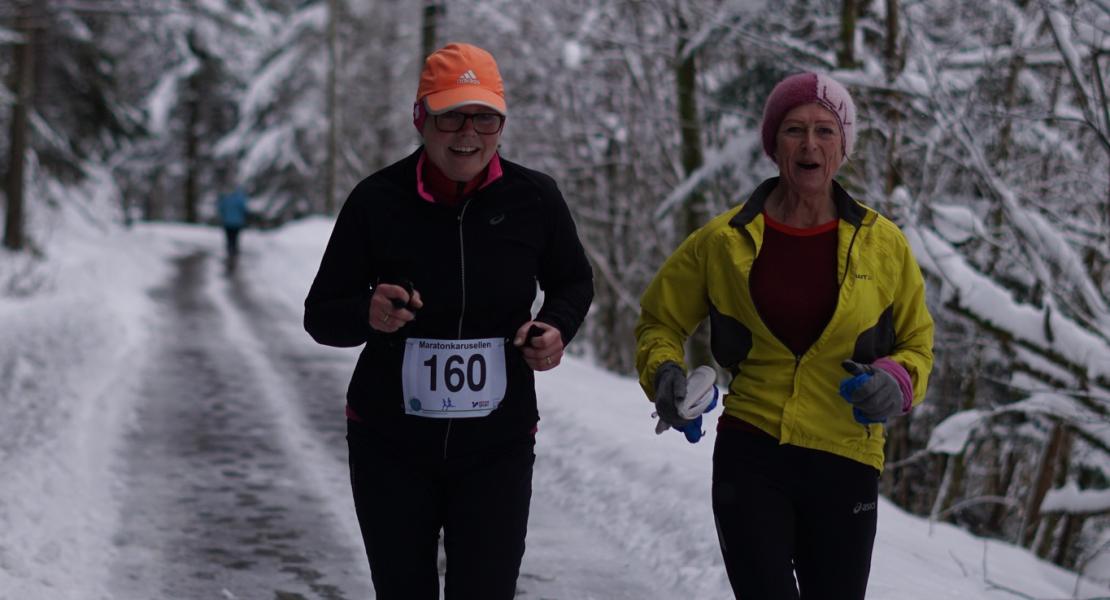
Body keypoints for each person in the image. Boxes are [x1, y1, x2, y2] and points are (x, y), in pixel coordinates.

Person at [303, 42, 593, 599]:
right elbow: (321, 315)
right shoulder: (376, 201)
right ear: (421, 119)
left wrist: (555, 327)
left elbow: (574, 281)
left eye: (484, 117)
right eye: (451, 115)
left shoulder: (535, 198)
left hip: (497, 445)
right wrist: (368, 312)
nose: (468, 133)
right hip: (389, 442)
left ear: (502, 124)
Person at [635, 72, 934, 599]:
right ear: (773, 144)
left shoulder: (883, 245)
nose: (809, 143)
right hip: (752, 452)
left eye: (825, 130)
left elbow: (917, 344)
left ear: (843, 146)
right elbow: (660, 320)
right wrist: (664, 373)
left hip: (846, 456)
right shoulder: (724, 241)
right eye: (794, 130)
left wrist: (896, 381)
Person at [217, 186, 248, 259]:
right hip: (237, 222)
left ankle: (230, 250)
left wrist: (223, 217)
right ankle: (234, 250)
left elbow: (221, 209)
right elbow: (244, 209)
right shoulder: (240, 199)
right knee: (235, 237)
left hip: (227, 222)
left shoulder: (225, 199)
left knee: (229, 237)